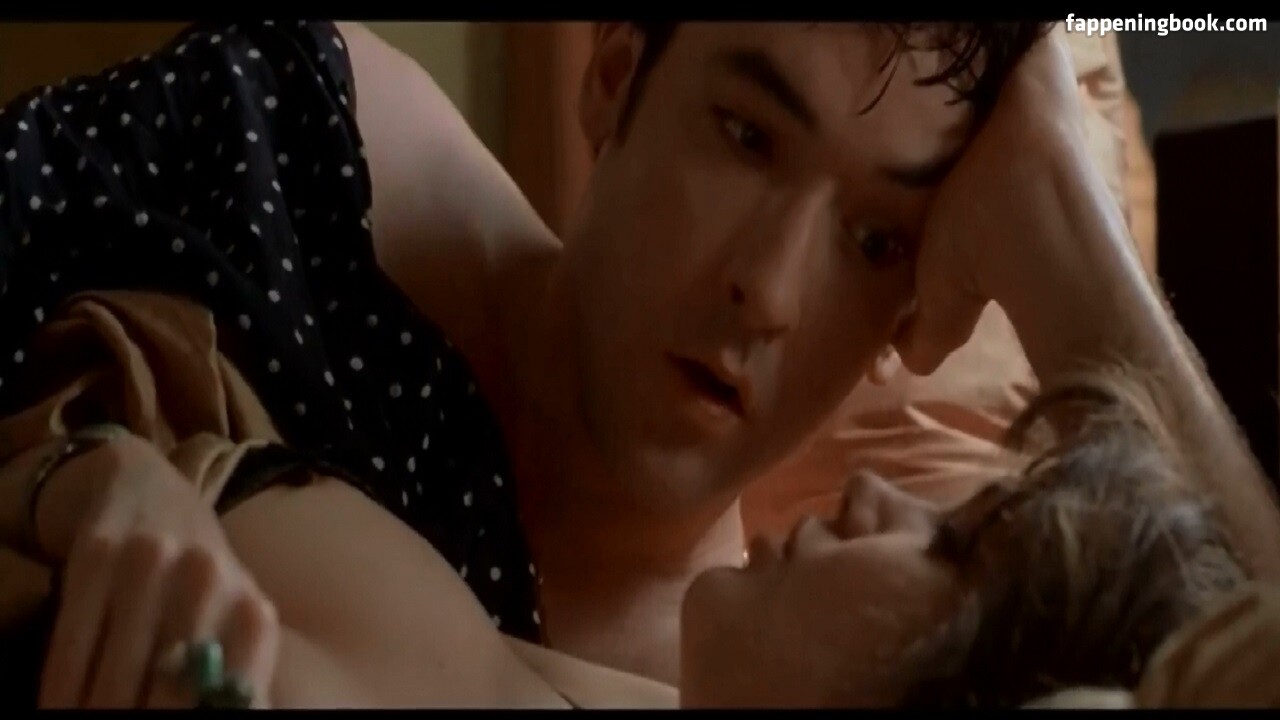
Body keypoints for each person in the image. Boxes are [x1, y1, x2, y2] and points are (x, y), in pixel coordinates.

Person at [1, 19, 1279, 707]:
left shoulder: (767, 670)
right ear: (614, 78)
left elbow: (1237, 659)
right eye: (745, 135)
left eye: (872, 239)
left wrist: (1068, 234)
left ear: (911, 307)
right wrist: (78, 480)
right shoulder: (308, 154)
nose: (767, 289)